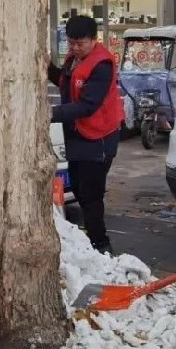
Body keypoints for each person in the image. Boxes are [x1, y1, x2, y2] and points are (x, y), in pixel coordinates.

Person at [47, 15, 125, 255]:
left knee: (91, 193)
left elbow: (88, 106)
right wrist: (47, 67)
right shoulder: (73, 59)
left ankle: (101, 245)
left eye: (80, 43)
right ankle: (92, 239)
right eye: (71, 43)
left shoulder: (102, 64)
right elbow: (64, 83)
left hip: (99, 136)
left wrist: (49, 114)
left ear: (93, 40)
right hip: (77, 134)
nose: (74, 48)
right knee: (79, 188)